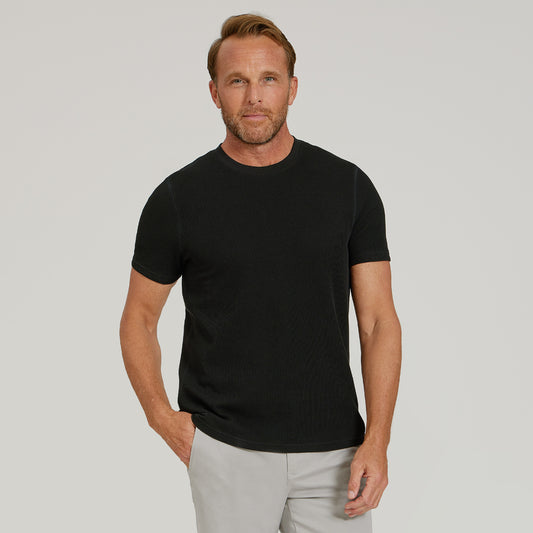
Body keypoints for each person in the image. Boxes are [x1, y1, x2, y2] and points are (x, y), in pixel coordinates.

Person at [119, 13, 401, 533]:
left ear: (292, 88)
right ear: (214, 92)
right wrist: (164, 420)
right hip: (227, 449)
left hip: (335, 453)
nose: (254, 97)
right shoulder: (178, 199)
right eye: (237, 81)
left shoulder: (348, 188)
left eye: (268, 79)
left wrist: (377, 440)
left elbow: (378, 321)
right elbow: (138, 317)